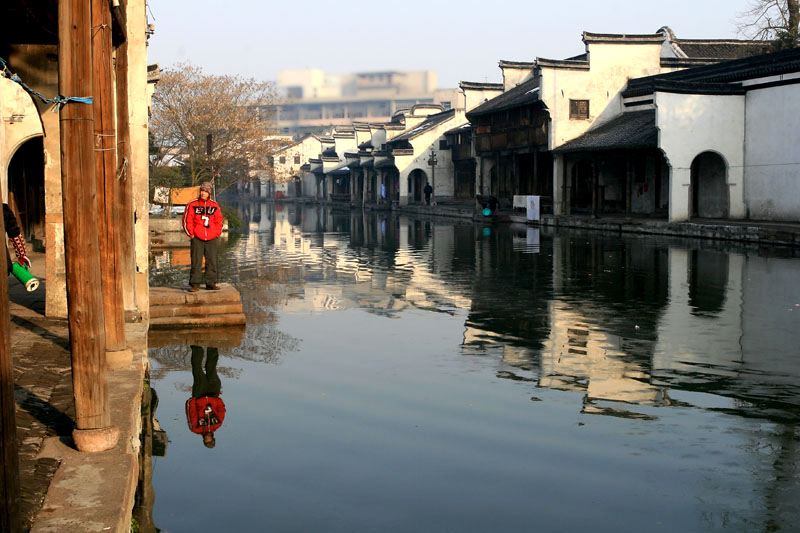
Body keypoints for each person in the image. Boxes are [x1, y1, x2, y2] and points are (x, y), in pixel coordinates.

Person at [182, 182, 223, 292]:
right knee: (196, 261)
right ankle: (195, 284)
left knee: (212, 261)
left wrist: (216, 233)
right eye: (202, 191)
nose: (203, 193)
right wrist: (191, 234)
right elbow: (187, 221)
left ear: (209, 193)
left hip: (211, 238)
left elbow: (219, 221)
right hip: (197, 237)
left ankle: (211, 283)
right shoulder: (192, 204)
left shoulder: (214, 205)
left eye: (205, 191)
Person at [185, 345, 225, 449]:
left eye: (206, 440)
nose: (207, 438)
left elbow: (191, 414)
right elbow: (222, 410)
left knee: (197, 370)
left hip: (199, 396)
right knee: (211, 369)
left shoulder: (196, 428)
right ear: (213, 437)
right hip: (213, 394)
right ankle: (212, 347)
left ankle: (197, 348)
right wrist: (217, 400)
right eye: (209, 439)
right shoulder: (218, 424)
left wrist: (192, 401)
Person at [3, 203, 31, 276]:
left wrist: (22, 255)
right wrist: (22, 255)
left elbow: (15, 233)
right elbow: (15, 234)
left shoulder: (3, 209)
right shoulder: (3, 209)